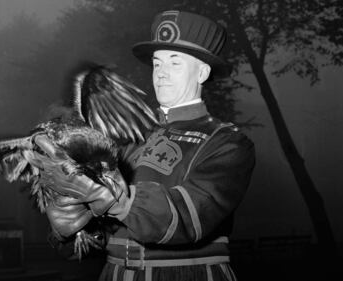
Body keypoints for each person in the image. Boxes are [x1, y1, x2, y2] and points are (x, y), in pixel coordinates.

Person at [41, 10, 255, 281]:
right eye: (157, 63)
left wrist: (121, 201)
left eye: (175, 63)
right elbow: (99, 241)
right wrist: (71, 227)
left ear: (202, 72)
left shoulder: (227, 143)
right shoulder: (126, 142)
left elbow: (192, 216)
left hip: (189, 274)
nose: (162, 74)